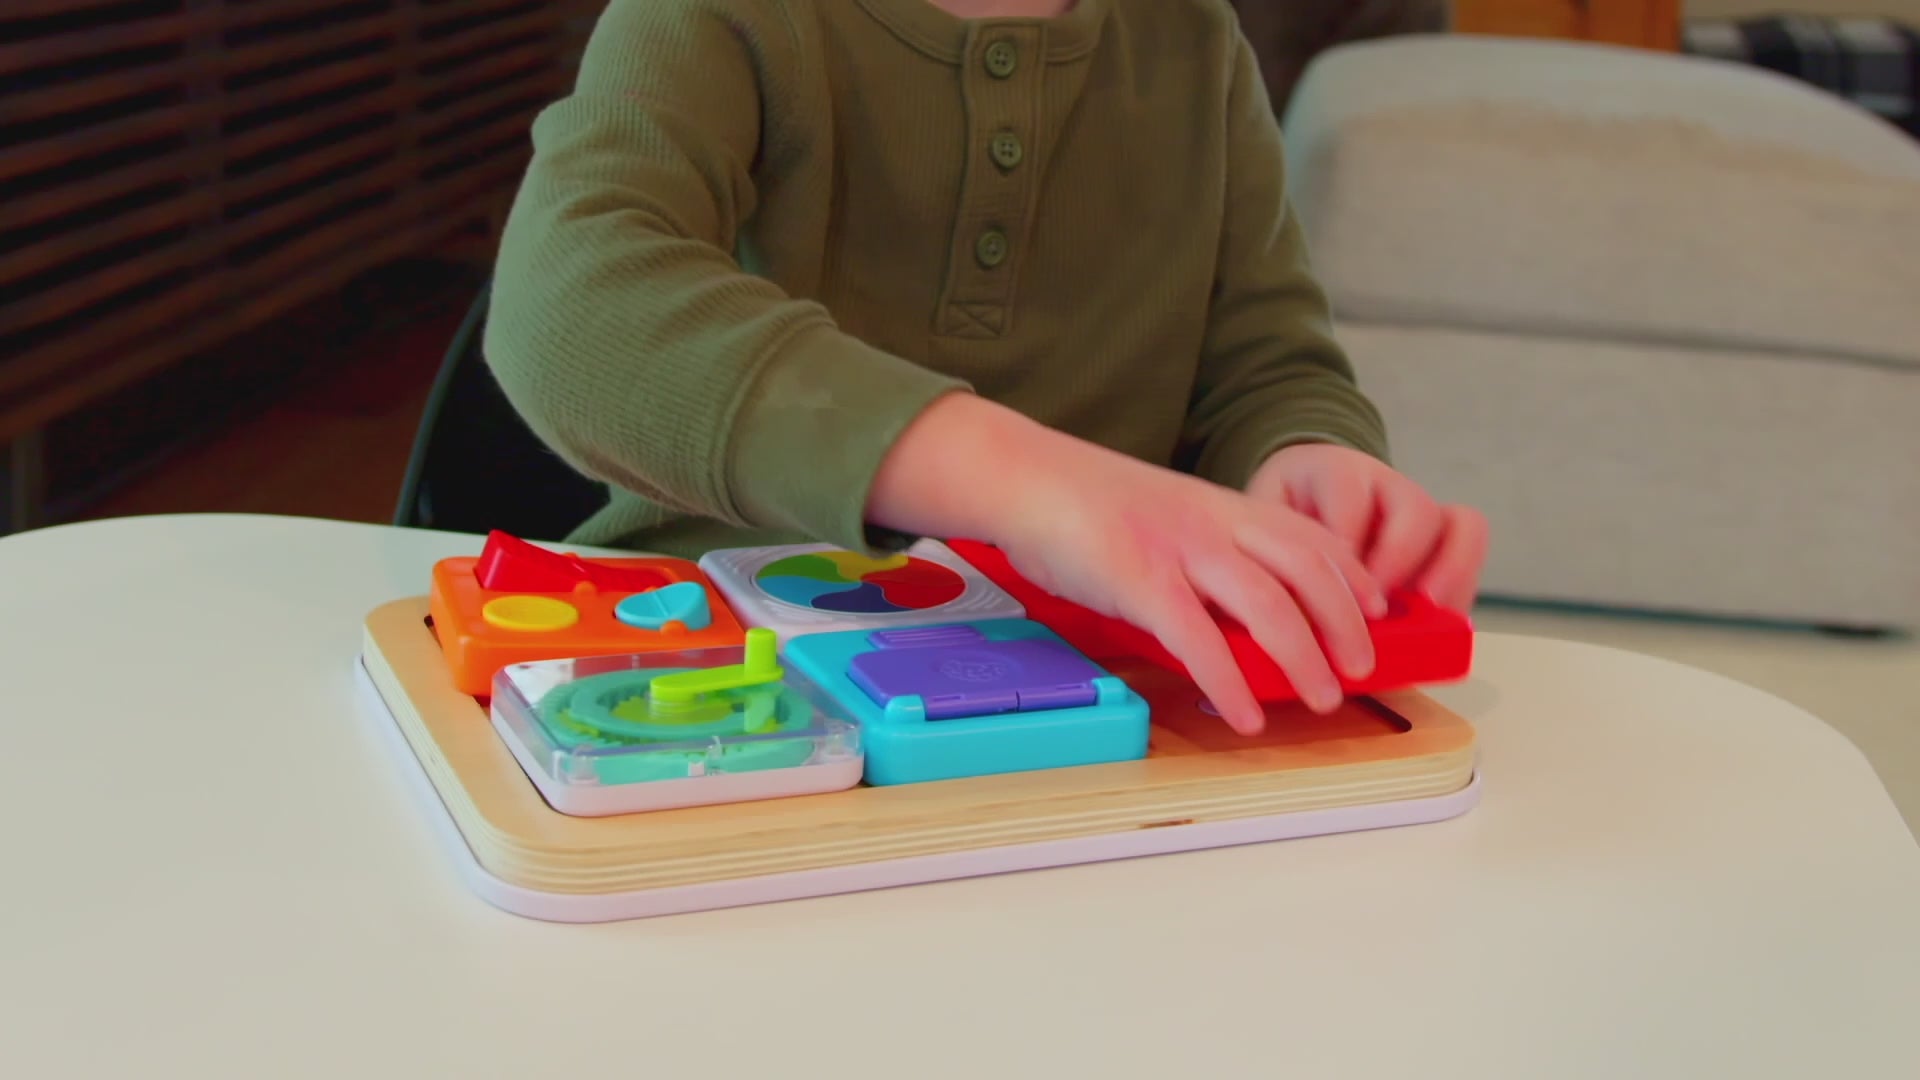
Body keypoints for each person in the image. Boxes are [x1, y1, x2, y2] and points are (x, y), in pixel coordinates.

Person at [484, 0, 1487, 735]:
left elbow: (1268, 368)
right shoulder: (717, 20)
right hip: (713, 686)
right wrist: (1037, 487)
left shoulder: (1197, 40)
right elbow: (568, 298)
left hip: (1090, 711)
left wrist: (1305, 457)